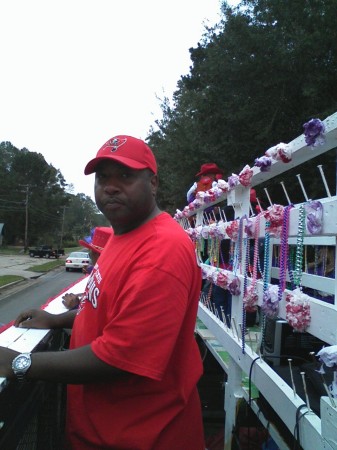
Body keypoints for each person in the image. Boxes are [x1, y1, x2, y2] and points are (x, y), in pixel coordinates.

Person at [0, 135, 205, 450]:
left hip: (145, 437)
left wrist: (19, 363)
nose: (110, 186)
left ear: (152, 183)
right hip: (104, 431)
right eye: (102, 177)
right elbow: (106, 310)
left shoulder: (162, 249)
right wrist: (56, 321)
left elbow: (119, 358)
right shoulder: (124, 236)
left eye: (125, 175)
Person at [62, 226, 113, 310]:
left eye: (90, 252)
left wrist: (76, 306)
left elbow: (99, 314)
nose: (90, 256)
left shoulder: (110, 282)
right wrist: (90, 269)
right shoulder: (110, 270)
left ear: (97, 255)